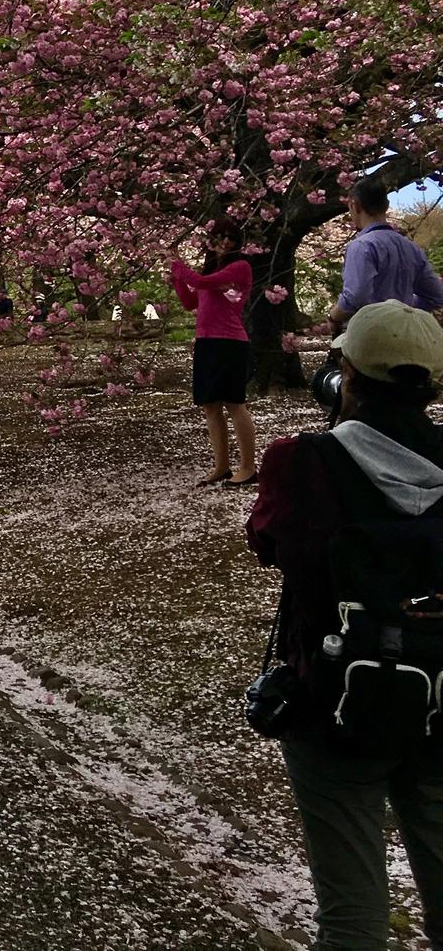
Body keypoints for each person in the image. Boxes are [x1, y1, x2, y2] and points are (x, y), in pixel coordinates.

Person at [247, 302, 443, 948]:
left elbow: (268, 544)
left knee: (352, 918)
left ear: (348, 375)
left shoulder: (300, 462)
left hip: (332, 704)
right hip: (440, 705)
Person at [171, 222, 258, 487]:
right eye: (220, 237)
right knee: (210, 405)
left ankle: (248, 467)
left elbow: (198, 281)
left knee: (234, 404)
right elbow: (189, 302)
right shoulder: (211, 271)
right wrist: (176, 277)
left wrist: (178, 265)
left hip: (230, 343)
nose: (226, 242)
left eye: (232, 237)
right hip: (207, 342)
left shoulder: (239, 268)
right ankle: (221, 465)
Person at [328, 175, 443, 330]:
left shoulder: (362, 246)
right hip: (405, 333)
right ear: (387, 205)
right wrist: (402, 305)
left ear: (355, 206)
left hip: (370, 335)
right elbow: (436, 296)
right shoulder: (411, 247)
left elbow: (356, 296)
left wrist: (333, 317)